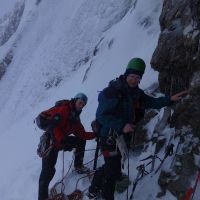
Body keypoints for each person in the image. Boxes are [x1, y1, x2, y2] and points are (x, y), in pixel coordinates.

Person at [88, 58, 188, 200]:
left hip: (121, 137)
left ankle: (94, 188)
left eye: (137, 77)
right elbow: (101, 116)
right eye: (131, 76)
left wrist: (169, 99)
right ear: (126, 75)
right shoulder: (112, 92)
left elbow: (151, 102)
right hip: (108, 138)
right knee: (112, 171)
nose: (134, 80)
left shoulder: (136, 93)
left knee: (112, 167)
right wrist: (122, 125)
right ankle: (104, 195)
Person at [38, 93, 96, 200]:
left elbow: (82, 134)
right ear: (75, 101)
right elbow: (53, 126)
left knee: (80, 141)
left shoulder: (75, 119)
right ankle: (42, 198)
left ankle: (78, 165)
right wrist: (63, 140)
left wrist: (96, 134)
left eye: (83, 104)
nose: (81, 106)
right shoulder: (64, 110)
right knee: (47, 172)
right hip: (50, 143)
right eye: (80, 103)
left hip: (60, 142)